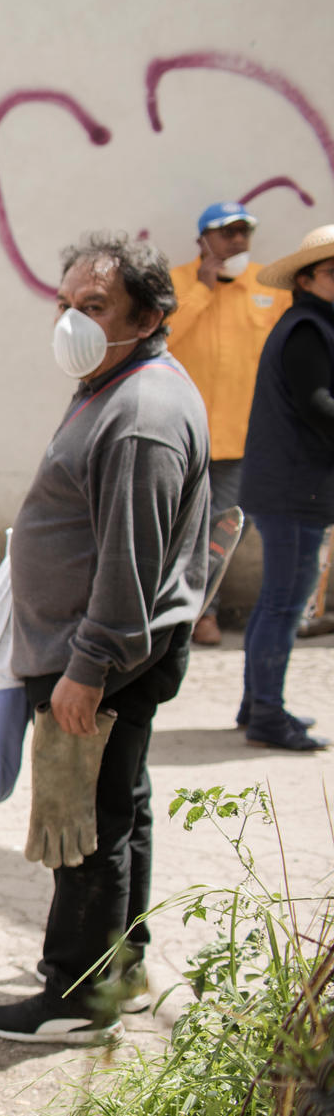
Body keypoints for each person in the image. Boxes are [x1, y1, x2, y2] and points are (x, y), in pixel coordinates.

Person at [0, 234, 208, 1044]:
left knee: (83, 822)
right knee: (121, 806)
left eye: (95, 306)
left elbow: (129, 563)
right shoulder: (112, 381)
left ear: (147, 316)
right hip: (101, 650)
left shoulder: (141, 413)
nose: (72, 320)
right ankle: (122, 965)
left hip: (101, 657)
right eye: (66, 304)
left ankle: (76, 999)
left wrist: (86, 668)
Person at [168, 201, 291, 645]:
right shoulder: (177, 283)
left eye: (244, 232)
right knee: (177, 525)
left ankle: (201, 610)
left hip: (245, 436)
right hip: (183, 435)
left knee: (227, 528)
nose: (237, 240)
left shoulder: (267, 286)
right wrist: (202, 289)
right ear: (203, 241)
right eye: (227, 232)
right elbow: (164, 335)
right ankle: (174, 610)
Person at [234, 224, 334, 751]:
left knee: (278, 601)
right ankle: (268, 716)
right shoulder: (307, 329)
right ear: (306, 279)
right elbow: (319, 407)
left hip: (293, 485)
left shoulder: (313, 323)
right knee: (284, 604)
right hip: (296, 487)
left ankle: (257, 705)